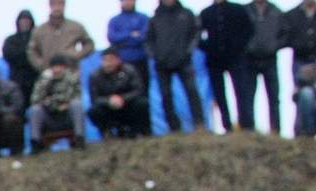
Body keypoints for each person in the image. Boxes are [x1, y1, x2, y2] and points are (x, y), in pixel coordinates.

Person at [151, 0, 208, 131]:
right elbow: (149, 39)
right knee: (166, 95)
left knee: (192, 91)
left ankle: (199, 124)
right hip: (163, 63)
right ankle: (174, 127)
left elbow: (196, 34)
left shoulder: (187, 14)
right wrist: (155, 55)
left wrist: (188, 51)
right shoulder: (155, 17)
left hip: (184, 61)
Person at [201, 0, 256, 130]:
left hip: (236, 59)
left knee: (242, 92)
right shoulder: (206, 13)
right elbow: (196, 34)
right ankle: (226, 125)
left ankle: (246, 125)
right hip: (214, 60)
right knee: (219, 94)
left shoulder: (238, 10)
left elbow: (249, 30)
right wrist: (208, 47)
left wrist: (239, 47)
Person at [241, 0, 287, 133]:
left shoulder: (276, 11)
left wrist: (274, 46)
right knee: (247, 96)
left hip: (270, 59)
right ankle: (248, 129)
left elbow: (286, 32)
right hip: (249, 60)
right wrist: (246, 47)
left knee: (274, 96)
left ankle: (275, 129)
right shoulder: (245, 10)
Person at [89, 48, 153, 137]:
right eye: (104, 60)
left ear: (118, 60)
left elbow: (138, 90)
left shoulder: (130, 70)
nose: (108, 63)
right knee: (93, 111)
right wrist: (109, 101)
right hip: (108, 108)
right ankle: (107, 132)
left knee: (142, 103)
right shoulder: (95, 76)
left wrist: (122, 98)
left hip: (128, 105)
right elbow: (95, 98)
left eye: (110, 60)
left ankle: (139, 131)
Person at [29, 54, 89, 149]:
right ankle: (35, 142)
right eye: (54, 67)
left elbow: (75, 96)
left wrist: (56, 101)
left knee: (76, 105)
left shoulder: (72, 79)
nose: (57, 70)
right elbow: (35, 99)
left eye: (59, 67)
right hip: (50, 116)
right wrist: (53, 103)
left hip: (67, 115)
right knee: (35, 110)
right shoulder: (43, 81)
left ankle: (79, 137)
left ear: (65, 67)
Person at [29, 0, 98, 74]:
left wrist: (76, 56)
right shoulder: (39, 30)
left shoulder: (76, 27)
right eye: (54, 3)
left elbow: (90, 44)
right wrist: (40, 64)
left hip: (71, 73)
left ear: (64, 5)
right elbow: (31, 50)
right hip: (48, 74)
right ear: (50, 5)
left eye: (60, 3)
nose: (57, 7)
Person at [108, 0, 154, 87]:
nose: (128, 2)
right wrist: (130, 34)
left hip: (141, 60)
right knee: (124, 89)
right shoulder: (114, 20)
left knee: (143, 88)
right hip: (122, 62)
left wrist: (123, 39)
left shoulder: (143, 18)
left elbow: (145, 36)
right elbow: (112, 37)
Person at [4, 9, 43, 105]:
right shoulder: (10, 40)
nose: (25, 22)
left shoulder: (38, 40)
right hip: (17, 81)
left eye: (27, 20)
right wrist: (28, 56)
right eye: (22, 20)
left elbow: (42, 55)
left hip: (36, 81)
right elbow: (9, 55)